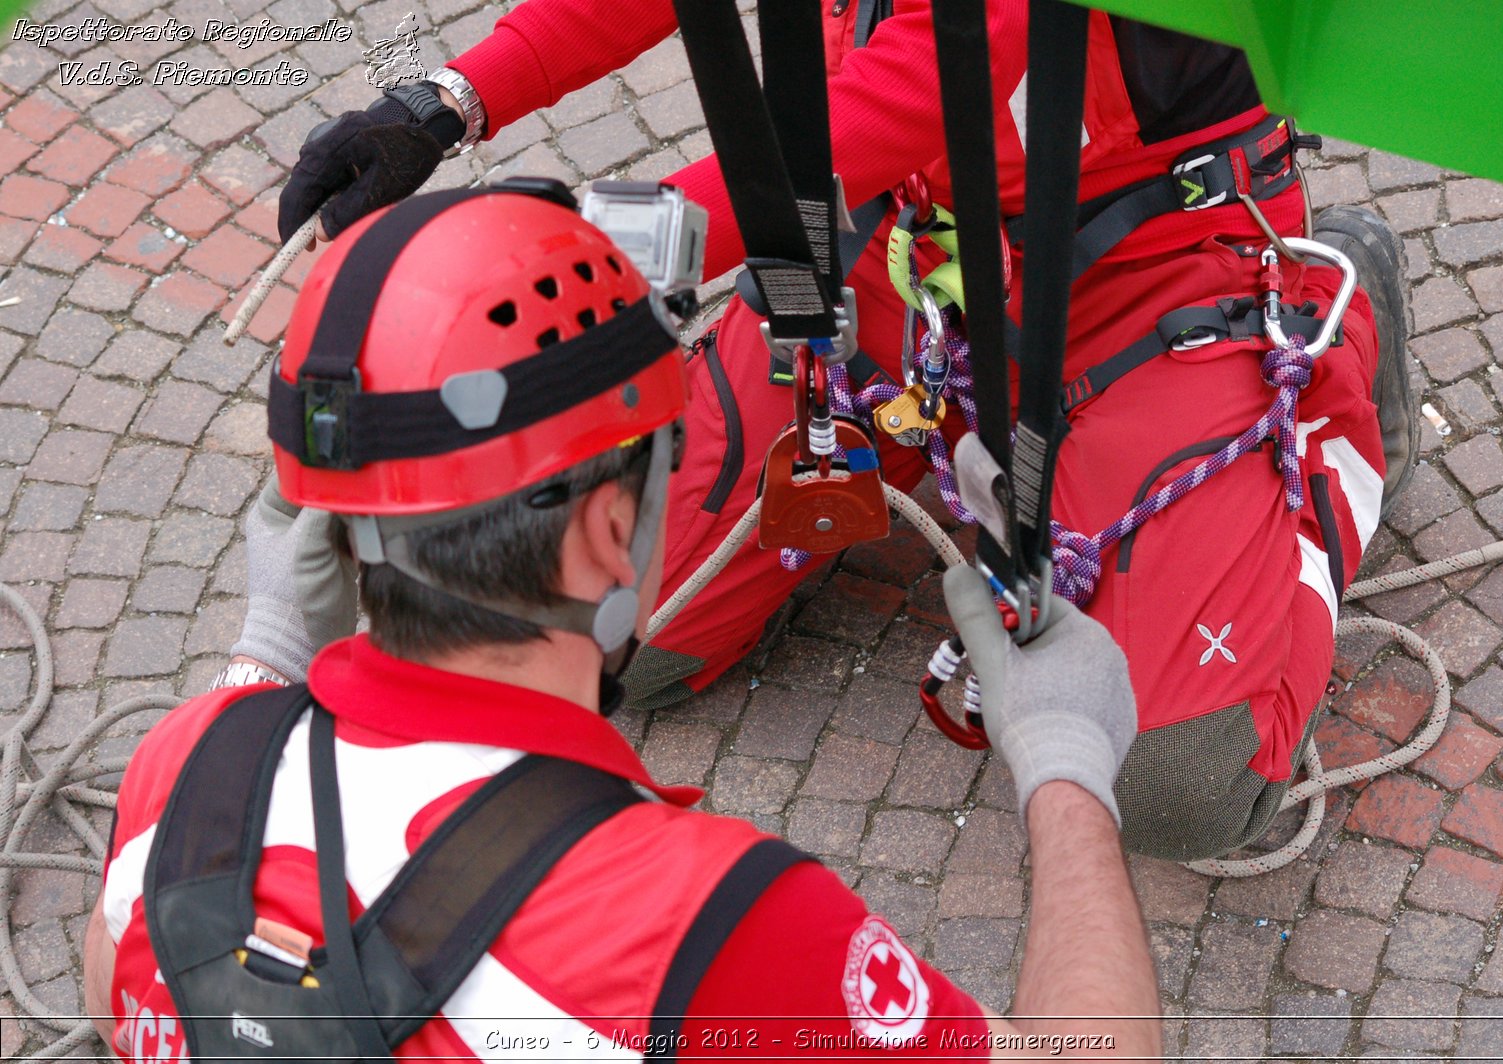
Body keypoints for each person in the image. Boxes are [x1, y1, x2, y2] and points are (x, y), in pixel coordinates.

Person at [273, 1, 1416, 861]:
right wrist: (448, 100)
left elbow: (892, 102)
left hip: (1136, 274)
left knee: (1182, 781)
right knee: (623, 626)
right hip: (891, 257)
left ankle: (1338, 330)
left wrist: (529, 278)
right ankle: (902, 449)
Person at [82, 188, 1161, 1061]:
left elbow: (113, 981)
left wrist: (267, 653)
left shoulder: (184, 768)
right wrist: (1064, 767)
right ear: (608, 530)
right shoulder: (707, 926)